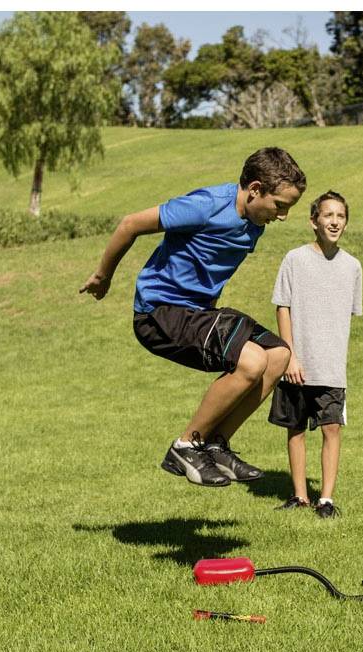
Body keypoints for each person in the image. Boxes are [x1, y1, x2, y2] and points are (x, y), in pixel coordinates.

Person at [79, 147, 306, 488]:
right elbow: (130, 224)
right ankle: (186, 446)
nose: (283, 215)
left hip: (197, 313)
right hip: (159, 312)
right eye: (280, 205)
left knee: (277, 356)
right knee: (250, 362)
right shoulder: (207, 205)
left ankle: (216, 444)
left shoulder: (255, 222)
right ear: (255, 189)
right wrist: (103, 275)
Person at [268, 191, 362, 518]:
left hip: (331, 368)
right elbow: (283, 307)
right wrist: (289, 356)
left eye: (340, 216)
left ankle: (326, 500)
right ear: (313, 221)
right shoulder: (295, 259)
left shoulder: (352, 267)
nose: (334, 221)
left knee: (331, 429)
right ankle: (299, 496)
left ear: (345, 223)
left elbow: (344, 317)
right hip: (296, 364)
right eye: (328, 215)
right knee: (294, 428)